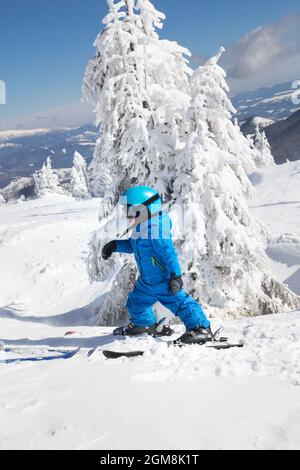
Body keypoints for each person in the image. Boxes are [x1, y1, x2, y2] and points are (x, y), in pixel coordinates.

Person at [102, 186, 212, 345]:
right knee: (135, 303)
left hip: (163, 279)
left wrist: (175, 276)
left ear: (144, 208)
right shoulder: (142, 226)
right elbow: (135, 246)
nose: (128, 215)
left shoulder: (156, 228)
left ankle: (201, 329)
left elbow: (168, 252)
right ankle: (143, 325)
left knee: (180, 303)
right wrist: (114, 245)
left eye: (131, 210)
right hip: (147, 281)